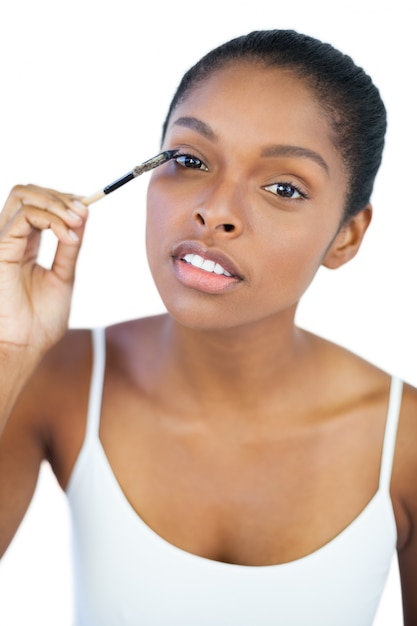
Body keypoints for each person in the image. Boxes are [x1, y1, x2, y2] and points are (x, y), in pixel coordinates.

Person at [0, 29, 416, 625]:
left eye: (282, 187)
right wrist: (6, 348)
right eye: (190, 160)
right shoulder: (58, 378)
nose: (215, 210)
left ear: (346, 236)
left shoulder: (406, 445)